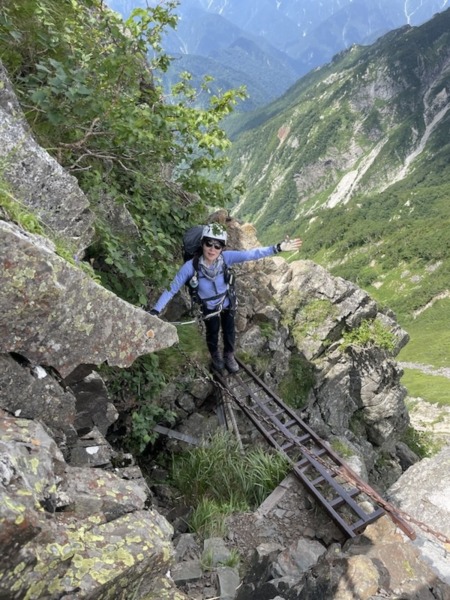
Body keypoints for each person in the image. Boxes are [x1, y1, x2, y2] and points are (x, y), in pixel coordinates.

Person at [150, 224, 302, 373]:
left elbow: (252, 254)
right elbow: (171, 289)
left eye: (218, 246)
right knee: (212, 331)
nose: (212, 249)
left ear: (222, 248)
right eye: (209, 243)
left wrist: (278, 248)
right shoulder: (190, 267)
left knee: (229, 330)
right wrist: (155, 310)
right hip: (209, 308)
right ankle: (215, 354)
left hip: (227, 302)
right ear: (202, 243)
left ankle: (229, 354)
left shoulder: (226, 258)